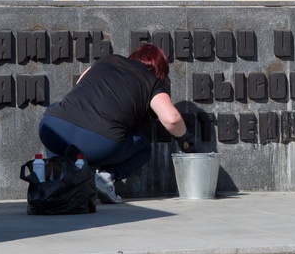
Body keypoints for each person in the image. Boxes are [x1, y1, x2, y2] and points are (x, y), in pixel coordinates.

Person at [38, 44, 195, 204]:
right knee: (143, 148)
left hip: (52, 127)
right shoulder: (151, 81)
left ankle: (58, 178)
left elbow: (80, 83)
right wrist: (186, 141)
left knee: (55, 115)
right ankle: (105, 179)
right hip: (97, 142)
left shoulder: (105, 60)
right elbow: (172, 119)